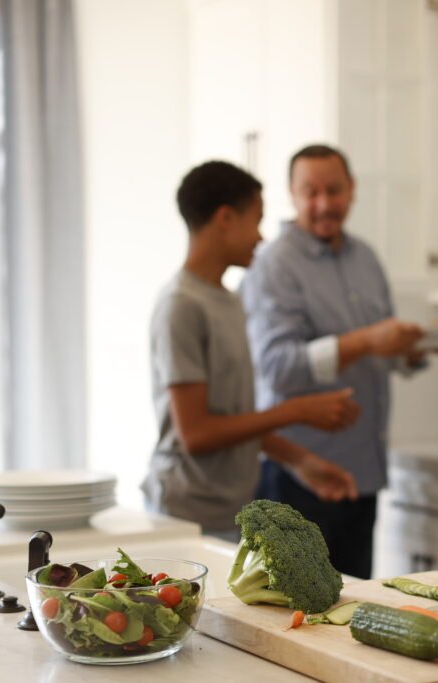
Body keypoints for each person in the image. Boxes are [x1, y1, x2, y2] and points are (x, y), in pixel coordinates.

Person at [144, 160, 360, 542]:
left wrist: (301, 462)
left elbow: (233, 420)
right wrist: (296, 411)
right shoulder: (181, 306)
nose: (260, 237)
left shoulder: (228, 299)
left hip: (230, 509)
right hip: (185, 515)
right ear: (226, 218)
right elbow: (196, 434)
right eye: (256, 221)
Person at [241, 144, 427, 579]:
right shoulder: (273, 265)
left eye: (334, 190)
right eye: (311, 192)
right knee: (291, 617)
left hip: (362, 472)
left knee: (351, 614)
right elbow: (276, 367)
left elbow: (378, 353)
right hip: (299, 476)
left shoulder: (366, 257)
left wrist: (412, 349)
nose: (324, 203)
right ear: (291, 193)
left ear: (352, 191)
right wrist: (365, 340)